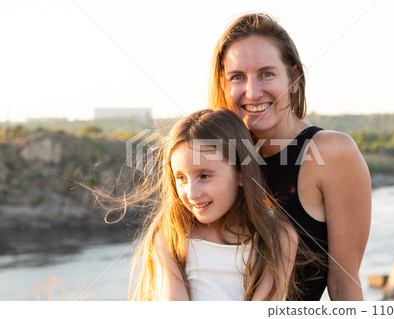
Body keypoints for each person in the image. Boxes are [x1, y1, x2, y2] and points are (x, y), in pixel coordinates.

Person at [208, 13, 372, 300]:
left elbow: (344, 286)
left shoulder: (332, 153)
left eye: (266, 74)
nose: (253, 91)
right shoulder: (216, 157)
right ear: (223, 85)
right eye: (237, 77)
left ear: (294, 79)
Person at [128, 109, 312, 301]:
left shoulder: (278, 236)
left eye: (205, 176)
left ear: (241, 173)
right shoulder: (172, 236)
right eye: (181, 178)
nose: (191, 193)